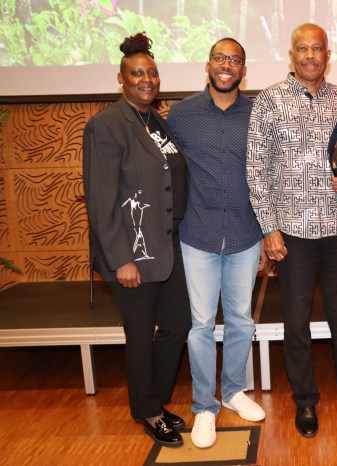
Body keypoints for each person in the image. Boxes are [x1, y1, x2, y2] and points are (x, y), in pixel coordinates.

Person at [246, 22, 337, 438]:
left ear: (328, 55)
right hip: (290, 233)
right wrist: (268, 229)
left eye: (318, 49)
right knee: (296, 322)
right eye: (302, 49)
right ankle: (305, 401)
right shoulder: (269, 101)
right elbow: (256, 171)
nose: (310, 56)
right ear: (291, 56)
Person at [82, 32, 190, 448]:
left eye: (152, 72)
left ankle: (155, 401)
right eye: (137, 73)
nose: (147, 79)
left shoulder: (156, 121)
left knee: (177, 323)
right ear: (121, 78)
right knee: (141, 333)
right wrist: (121, 258)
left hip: (166, 246)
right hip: (132, 251)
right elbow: (101, 198)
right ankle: (147, 410)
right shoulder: (106, 125)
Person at [167, 38, 266, 449]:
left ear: (244, 69)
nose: (227, 66)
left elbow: (268, 169)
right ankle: (204, 406)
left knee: (241, 320)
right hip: (199, 232)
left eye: (235, 60)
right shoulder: (182, 113)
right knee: (201, 326)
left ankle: (233, 392)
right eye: (221, 58)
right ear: (208, 64)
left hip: (245, 232)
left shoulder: (259, 111)